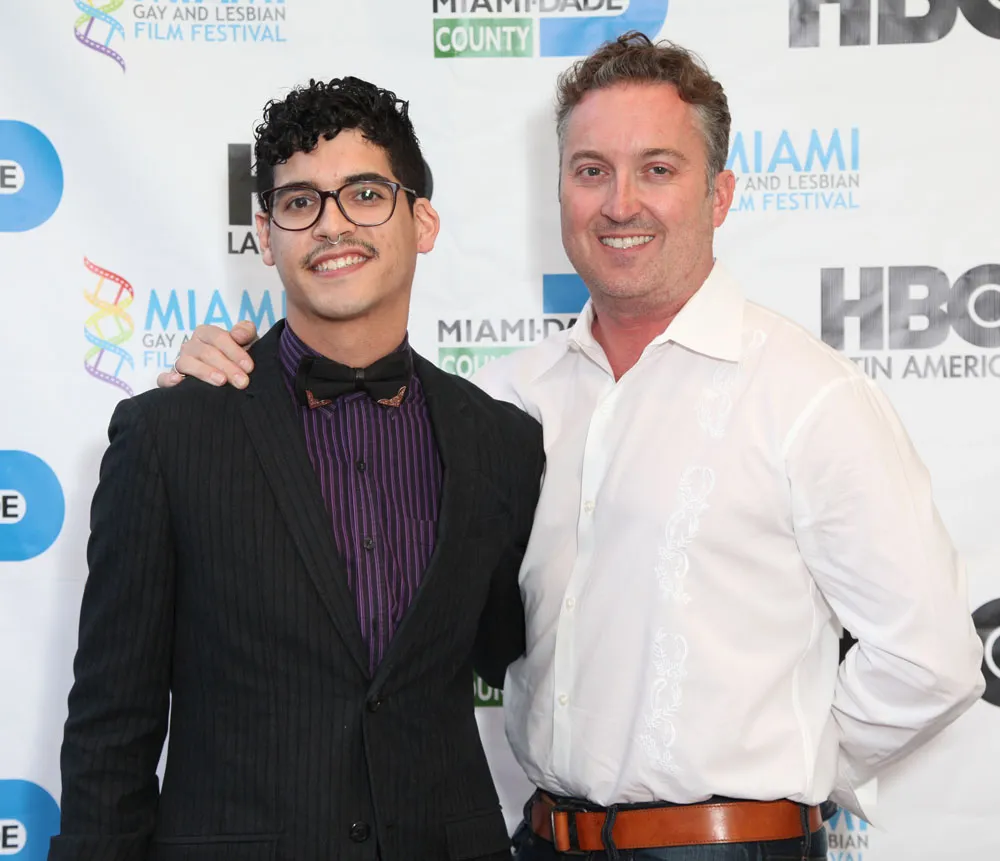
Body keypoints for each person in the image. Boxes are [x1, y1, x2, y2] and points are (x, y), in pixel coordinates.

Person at [161, 33, 986, 861]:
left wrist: (783, 767)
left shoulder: (807, 396)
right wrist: (233, 388)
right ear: (559, 189)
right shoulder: (506, 403)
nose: (620, 203)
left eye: (657, 169)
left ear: (721, 193)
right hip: (541, 839)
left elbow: (933, 660)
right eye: (591, 170)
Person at [52, 77, 544, 861]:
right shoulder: (168, 436)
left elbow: (508, 650)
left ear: (422, 221)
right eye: (300, 202)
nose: (332, 224)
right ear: (264, 233)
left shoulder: (502, 442)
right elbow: (111, 725)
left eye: (366, 194)